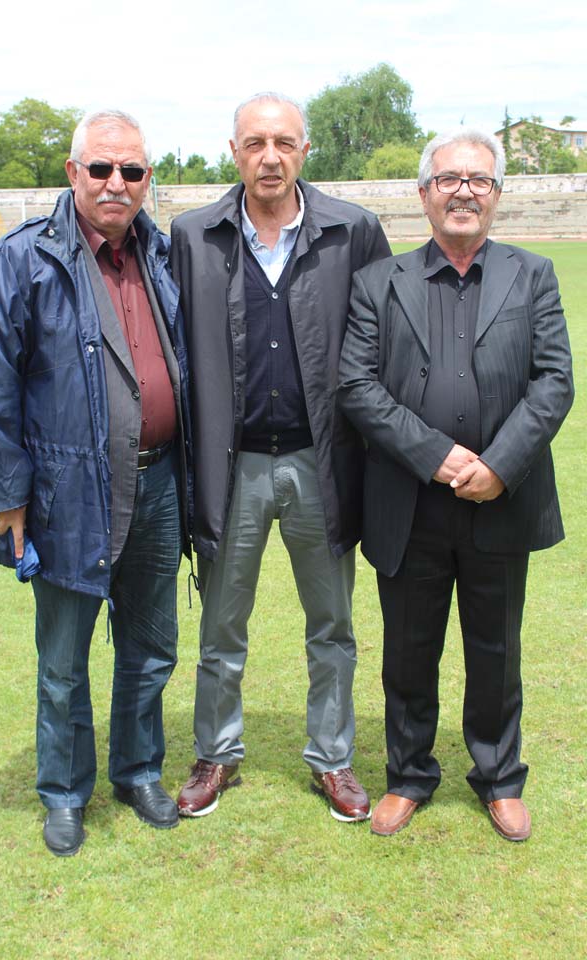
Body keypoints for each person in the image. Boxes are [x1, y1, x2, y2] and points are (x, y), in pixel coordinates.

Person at [0, 109, 191, 857]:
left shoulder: (162, 254)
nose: (117, 182)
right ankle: (63, 791)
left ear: (147, 178)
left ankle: (138, 771)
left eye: (132, 170)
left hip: (158, 484)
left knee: (150, 646)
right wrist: (7, 496)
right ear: (73, 171)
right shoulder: (20, 259)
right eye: (102, 168)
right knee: (63, 659)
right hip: (66, 494)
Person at [338, 128, 574, 841]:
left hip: (500, 501)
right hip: (410, 501)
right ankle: (408, 776)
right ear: (424, 194)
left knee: (496, 650)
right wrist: (438, 456)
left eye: (479, 180)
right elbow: (357, 385)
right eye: (449, 179)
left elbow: (554, 381)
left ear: (497, 195)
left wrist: (498, 466)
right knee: (409, 650)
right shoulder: (380, 282)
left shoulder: (533, 275)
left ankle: (499, 778)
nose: (463, 191)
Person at [170, 92, 391, 822]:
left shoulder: (353, 231)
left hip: (320, 464)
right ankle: (216, 753)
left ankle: (332, 758)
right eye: (256, 143)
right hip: (230, 467)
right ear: (234, 151)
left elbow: (384, 342)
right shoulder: (193, 235)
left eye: (284, 143)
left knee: (332, 627)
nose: (270, 157)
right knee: (221, 628)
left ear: (304, 151)